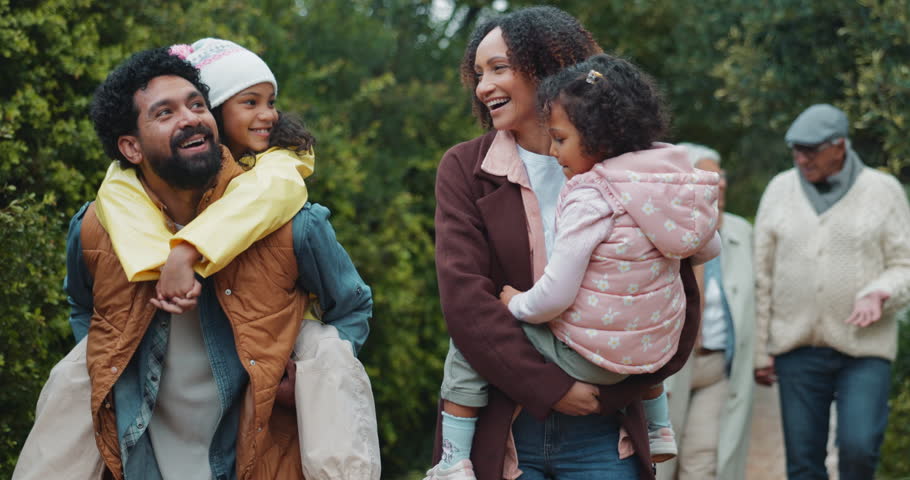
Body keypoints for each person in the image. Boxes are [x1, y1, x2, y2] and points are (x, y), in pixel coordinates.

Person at [13, 45, 374, 480]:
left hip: (263, 461)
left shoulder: (292, 225)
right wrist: (112, 375)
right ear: (131, 147)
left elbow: (351, 307)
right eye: (165, 113)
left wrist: (312, 381)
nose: (190, 118)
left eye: (198, 105)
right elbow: (84, 309)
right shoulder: (94, 230)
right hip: (142, 462)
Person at [432, 7, 705, 480]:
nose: (483, 87)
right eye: (478, 74)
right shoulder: (464, 170)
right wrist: (550, 387)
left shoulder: (631, 167)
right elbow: (466, 304)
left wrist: (624, 386)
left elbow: (674, 288)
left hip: (605, 425)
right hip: (504, 428)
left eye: (499, 68)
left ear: (550, 64)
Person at [753, 103, 910, 480]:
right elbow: (763, 276)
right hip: (798, 349)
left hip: (864, 350)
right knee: (803, 464)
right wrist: (762, 349)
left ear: (840, 146)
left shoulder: (882, 190)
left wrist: (880, 291)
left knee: (858, 448)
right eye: (795, 150)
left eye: (811, 150)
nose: (801, 158)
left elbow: (905, 265)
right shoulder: (779, 189)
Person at [658, 143, 756, 480]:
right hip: (673, 368)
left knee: (704, 463)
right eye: (712, 177)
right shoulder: (662, 228)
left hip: (717, 365)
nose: (723, 184)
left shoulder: (741, 232)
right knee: (662, 462)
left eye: (723, 175)